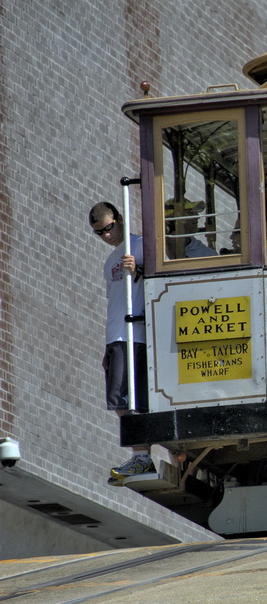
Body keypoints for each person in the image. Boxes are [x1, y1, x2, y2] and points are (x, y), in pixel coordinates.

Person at [89, 201, 157, 484]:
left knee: (129, 398)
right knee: (118, 399)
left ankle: (142, 456)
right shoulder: (109, 262)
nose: (105, 235)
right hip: (116, 336)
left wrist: (139, 270)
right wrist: (107, 345)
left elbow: (161, 280)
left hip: (135, 334)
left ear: (118, 219)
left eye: (107, 228)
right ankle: (141, 455)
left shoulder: (141, 246)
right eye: (98, 233)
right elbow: (113, 303)